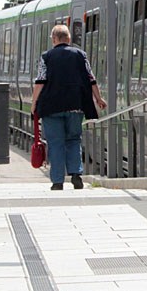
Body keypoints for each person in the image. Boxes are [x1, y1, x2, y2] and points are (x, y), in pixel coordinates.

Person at [31, 24, 107, 190]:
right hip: (76, 106)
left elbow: (41, 81)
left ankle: (58, 182)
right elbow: (91, 78)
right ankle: (76, 174)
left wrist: (34, 103)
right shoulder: (81, 55)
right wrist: (98, 98)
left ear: (54, 39)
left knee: (56, 142)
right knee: (73, 139)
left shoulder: (46, 57)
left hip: (52, 108)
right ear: (69, 39)